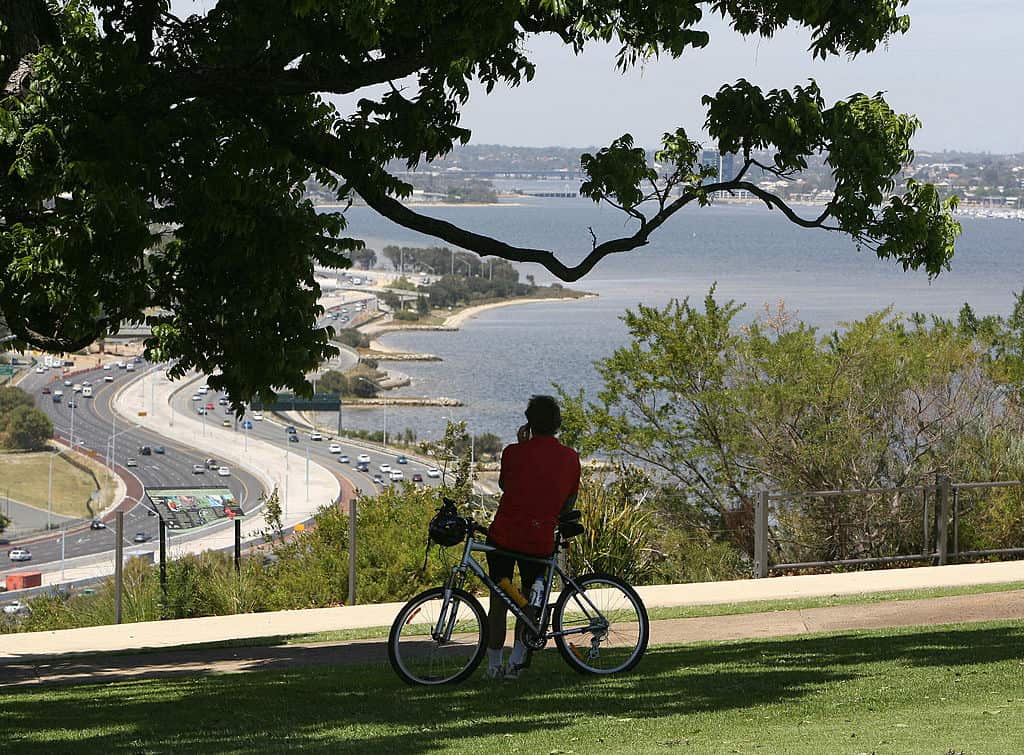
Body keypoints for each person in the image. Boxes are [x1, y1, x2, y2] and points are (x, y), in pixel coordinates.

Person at [485, 395, 581, 679]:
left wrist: (522, 444)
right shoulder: (569, 458)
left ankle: (493, 666)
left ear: (529, 423)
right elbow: (569, 501)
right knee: (528, 600)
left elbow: (505, 485)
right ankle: (516, 661)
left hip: (503, 536)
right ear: (557, 424)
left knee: (500, 600)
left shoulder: (513, 452)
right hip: (538, 541)